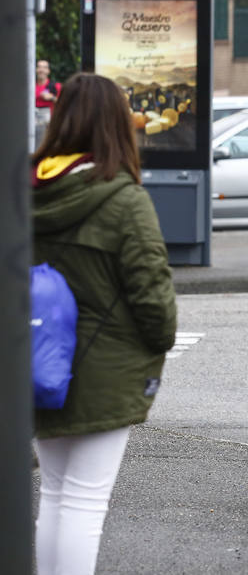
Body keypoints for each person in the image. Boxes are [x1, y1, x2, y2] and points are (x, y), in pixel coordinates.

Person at [31, 72, 177, 574]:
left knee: (53, 494)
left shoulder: (26, 189)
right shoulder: (121, 199)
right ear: (118, 124)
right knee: (85, 502)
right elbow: (152, 292)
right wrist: (162, 340)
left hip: (38, 359)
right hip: (106, 365)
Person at [34, 60, 62, 147]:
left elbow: (65, 104)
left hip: (50, 128)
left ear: (48, 71)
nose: (41, 70)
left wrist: (52, 98)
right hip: (32, 128)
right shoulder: (30, 87)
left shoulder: (56, 86)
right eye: (39, 67)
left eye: (44, 67)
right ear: (35, 69)